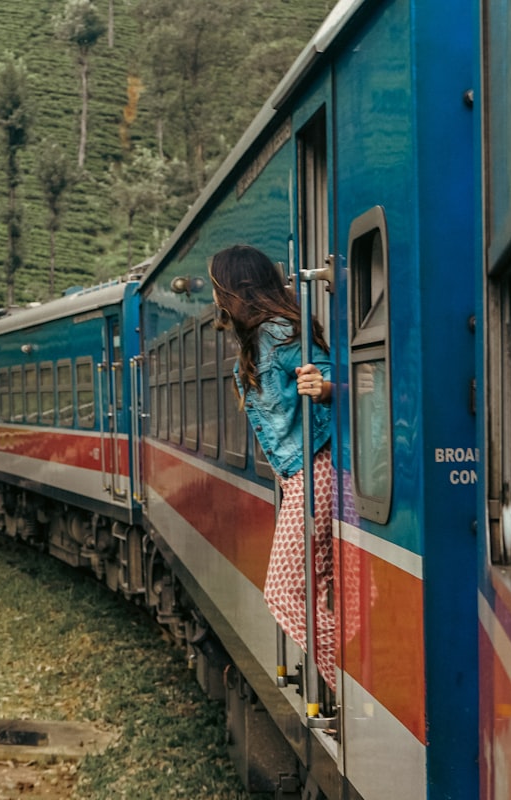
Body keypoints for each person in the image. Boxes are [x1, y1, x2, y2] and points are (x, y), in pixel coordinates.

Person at [209, 244, 337, 692]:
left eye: (218, 288)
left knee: (283, 594)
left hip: (314, 470)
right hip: (300, 475)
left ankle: (346, 681)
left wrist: (323, 387)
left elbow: (327, 375)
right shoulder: (258, 337)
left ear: (237, 289)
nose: (215, 298)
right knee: (317, 587)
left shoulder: (281, 332)